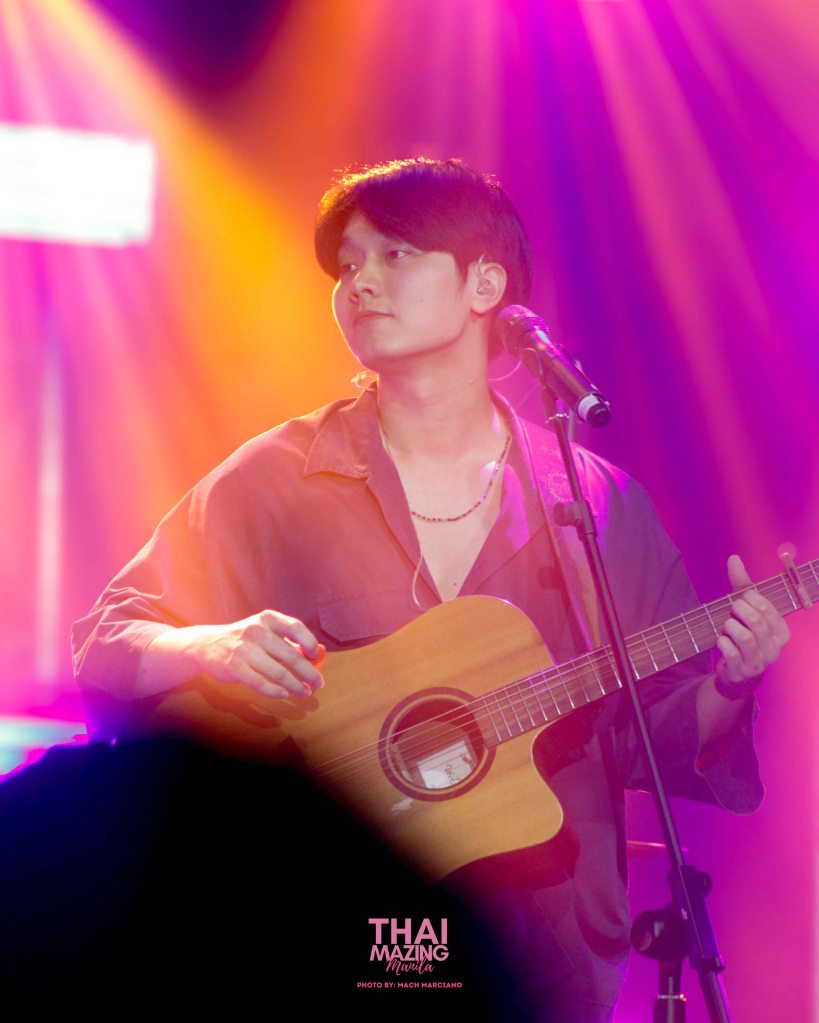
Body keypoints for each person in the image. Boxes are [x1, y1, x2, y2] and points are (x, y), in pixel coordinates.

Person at [72, 157, 789, 1021]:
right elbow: (108, 638)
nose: (358, 284)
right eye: (346, 266)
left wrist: (730, 682)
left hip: (540, 946)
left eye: (395, 255)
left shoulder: (592, 500)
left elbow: (652, 732)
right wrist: (207, 645)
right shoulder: (275, 478)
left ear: (485, 284)